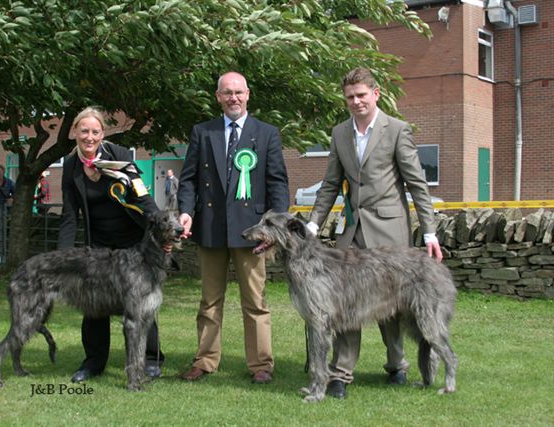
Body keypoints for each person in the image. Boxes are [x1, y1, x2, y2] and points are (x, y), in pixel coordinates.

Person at [305, 67, 443, 399]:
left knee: (392, 307)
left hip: (389, 232)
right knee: (344, 303)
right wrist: (312, 225)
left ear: (375, 94)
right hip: (352, 234)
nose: (356, 102)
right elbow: (329, 186)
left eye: (361, 95)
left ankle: (396, 366)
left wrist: (429, 233)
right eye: (350, 97)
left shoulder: (396, 130)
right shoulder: (339, 133)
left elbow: (417, 185)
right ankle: (341, 374)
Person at [177, 71, 289, 384]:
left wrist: (277, 227)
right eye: (227, 93)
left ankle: (261, 365)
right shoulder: (203, 131)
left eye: (238, 92)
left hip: (253, 231)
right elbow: (188, 179)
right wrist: (185, 211)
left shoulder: (267, 133)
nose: (233, 98)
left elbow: (277, 182)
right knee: (209, 301)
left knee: (255, 301)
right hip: (210, 227)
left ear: (248, 94)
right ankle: (205, 360)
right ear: (218, 97)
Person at [57, 106, 165, 383]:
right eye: (84, 131)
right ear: (75, 133)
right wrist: (63, 257)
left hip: (132, 240)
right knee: (94, 305)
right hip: (98, 245)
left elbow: (141, 193)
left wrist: (160, 224)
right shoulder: (70, 165)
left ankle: (150, 359)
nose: (89, 137)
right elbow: (69, 215)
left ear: (102, 133)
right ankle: (93, 362)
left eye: (95, 131)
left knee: (141, 303)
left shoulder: (118, 156)